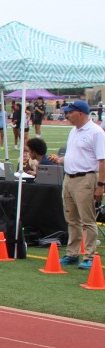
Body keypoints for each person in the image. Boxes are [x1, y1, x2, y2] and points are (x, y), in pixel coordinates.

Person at [46, 100, 105, 269]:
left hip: (85, 178)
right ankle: (72, 253)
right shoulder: (74, 131)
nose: (67, 115)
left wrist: (101, 185)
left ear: (80, 113)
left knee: (87, 219)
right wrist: (60, 160)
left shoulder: (96, 132)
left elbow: (102, 161)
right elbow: (75, 155)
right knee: (71, 219)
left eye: (70, 112)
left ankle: (90, 256)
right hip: (69, 178)